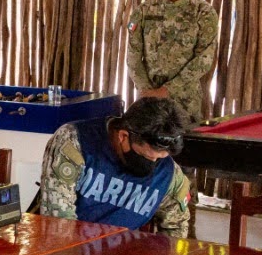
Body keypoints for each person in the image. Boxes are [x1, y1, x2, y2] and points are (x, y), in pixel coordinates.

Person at [40, 97, 190, 237]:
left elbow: (176, 227)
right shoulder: (75, 143)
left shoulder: (168, 174)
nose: (154, 163)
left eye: (160, 158)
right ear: (124, 136)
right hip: (70, 251)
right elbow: (58, 225)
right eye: (148, 157)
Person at [126, 0, 220, 124]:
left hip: (185, 103)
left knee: (183, 149)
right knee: (147, 147)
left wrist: (166, 91)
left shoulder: (204, 13)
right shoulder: (144, 11)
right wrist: (148, 92)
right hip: (149, 101)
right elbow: (133, 56)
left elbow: (204, 60)